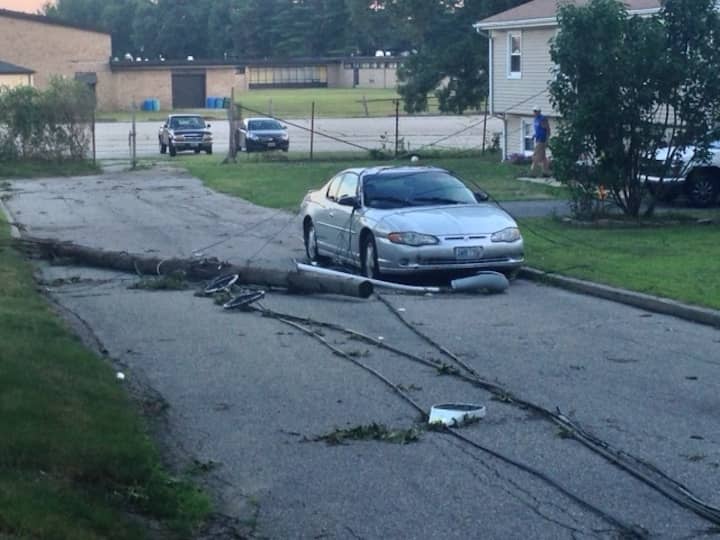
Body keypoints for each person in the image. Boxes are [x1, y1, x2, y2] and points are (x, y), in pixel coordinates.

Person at [531, 105, 551, 177]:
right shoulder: (535, 119)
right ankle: (545, 172)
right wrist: (534, 135)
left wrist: (547, 140)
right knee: (543, 157)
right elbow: (537, 130)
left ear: (539, 111)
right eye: (534, 111)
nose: (534, 112)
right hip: (537, 138)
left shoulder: (543, 119)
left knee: (535, 156)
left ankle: (533, 173)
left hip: (542, 140)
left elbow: (548, 130)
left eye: (536, 111)